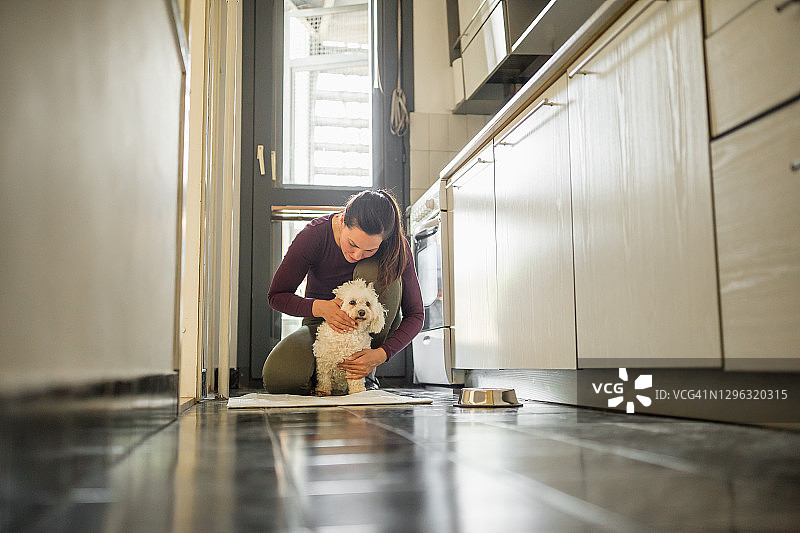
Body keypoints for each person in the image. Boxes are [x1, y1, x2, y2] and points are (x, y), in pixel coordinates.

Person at [263, 189, 424, 395]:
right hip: (321, 323)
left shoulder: (396, 246)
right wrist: (320, 307)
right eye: (352, 244)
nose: (357, 254)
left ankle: (365, 372)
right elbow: (276, 296)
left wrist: (381, 354)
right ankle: (323, 374)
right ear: (343, 220)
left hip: (368, 331)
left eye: (370, 250)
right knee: (280, 378)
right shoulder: (313, 236)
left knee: (373, 268)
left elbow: (416, 314)